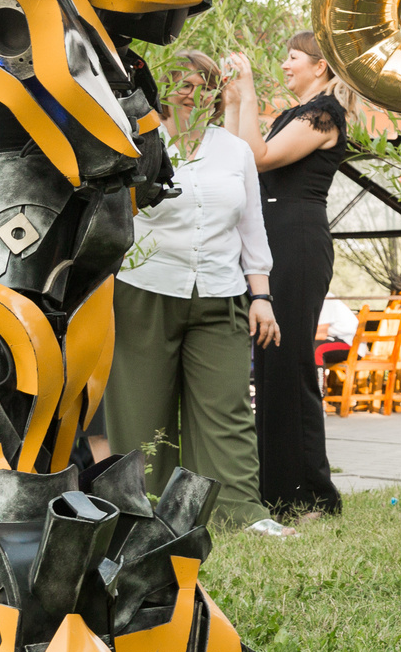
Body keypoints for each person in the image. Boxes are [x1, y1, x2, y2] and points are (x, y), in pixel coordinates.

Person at [104, 50, 289, 538]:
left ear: (215, 93)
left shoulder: (235, 151)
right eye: (181, 84)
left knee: (227, 406)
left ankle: (240, 512)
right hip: (145, 291)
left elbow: (253, 228)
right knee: (142, 407)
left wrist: (262, 295)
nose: (191, 92)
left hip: (221, 293)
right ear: (163, 91)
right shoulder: (139, 142)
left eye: (202, 85)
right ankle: (148, 508)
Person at [224, 34, 348, 520]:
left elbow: (258, 157)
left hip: (296, 242)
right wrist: (234, 99)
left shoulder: (322, 115)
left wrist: (250, 88)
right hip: (271, 240)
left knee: (290, 363)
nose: (285, 65)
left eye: (292, 58)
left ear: (319, 67)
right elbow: (237, 157)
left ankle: (310, 493)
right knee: (269, 365)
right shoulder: (295, 114)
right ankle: (274, 487)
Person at [315, 298, 357, 372]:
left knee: (316, 348)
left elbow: (321, 334)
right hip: (334, 339)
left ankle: (319, 383)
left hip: (351, 344)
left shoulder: (326, 299)